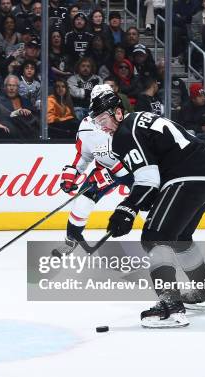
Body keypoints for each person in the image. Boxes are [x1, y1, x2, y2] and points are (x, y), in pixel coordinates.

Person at [89, 87, 205, 329]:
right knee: (180, 237)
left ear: (118, 113)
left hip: (186, 177)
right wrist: (135, 203)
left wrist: (126, 209)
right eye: (97, 123)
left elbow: (148, 180)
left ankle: (171, 308)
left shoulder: (124, 134)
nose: (102, 127)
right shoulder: (138, 120)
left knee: (154, 238)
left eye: (104, 120)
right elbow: (152, 171)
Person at [56, 84, 132, 254]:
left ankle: (164, 236)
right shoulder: (86, 127)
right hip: (103, 168)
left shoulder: (126, 121)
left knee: (149, 201)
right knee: (82, 202)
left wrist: (112, 173)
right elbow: (84, 155)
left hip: (133, 171)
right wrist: (72, 174)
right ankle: (72, 240)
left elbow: (138, 155)